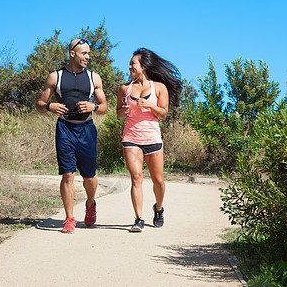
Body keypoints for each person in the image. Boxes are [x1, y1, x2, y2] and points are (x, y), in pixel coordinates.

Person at [36, 38, 107, 233]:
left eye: (89, 54)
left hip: (86, 129)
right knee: (68, 174)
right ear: (72, 53)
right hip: (65, 129)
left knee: (89, 177)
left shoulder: (94, 78)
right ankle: (69, 218)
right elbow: (40, 104)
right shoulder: (55, 77)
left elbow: (104, 108)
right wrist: (50, 106)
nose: (88, 57)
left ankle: (90, 203)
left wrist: (94, 106)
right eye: (84, 53)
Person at [116, 48, 182, 232]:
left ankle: (159, 209)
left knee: (158, 181)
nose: (129, 67)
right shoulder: (125, 89)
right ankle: (138, 219)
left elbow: (164, 114)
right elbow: (118, 114)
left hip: (152, 138)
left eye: (132, 63)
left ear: (143, 67)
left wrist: (150, 105)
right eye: (129, 64)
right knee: (136, 177)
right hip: (131, 138)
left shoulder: (159, 87)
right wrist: (123, 111)